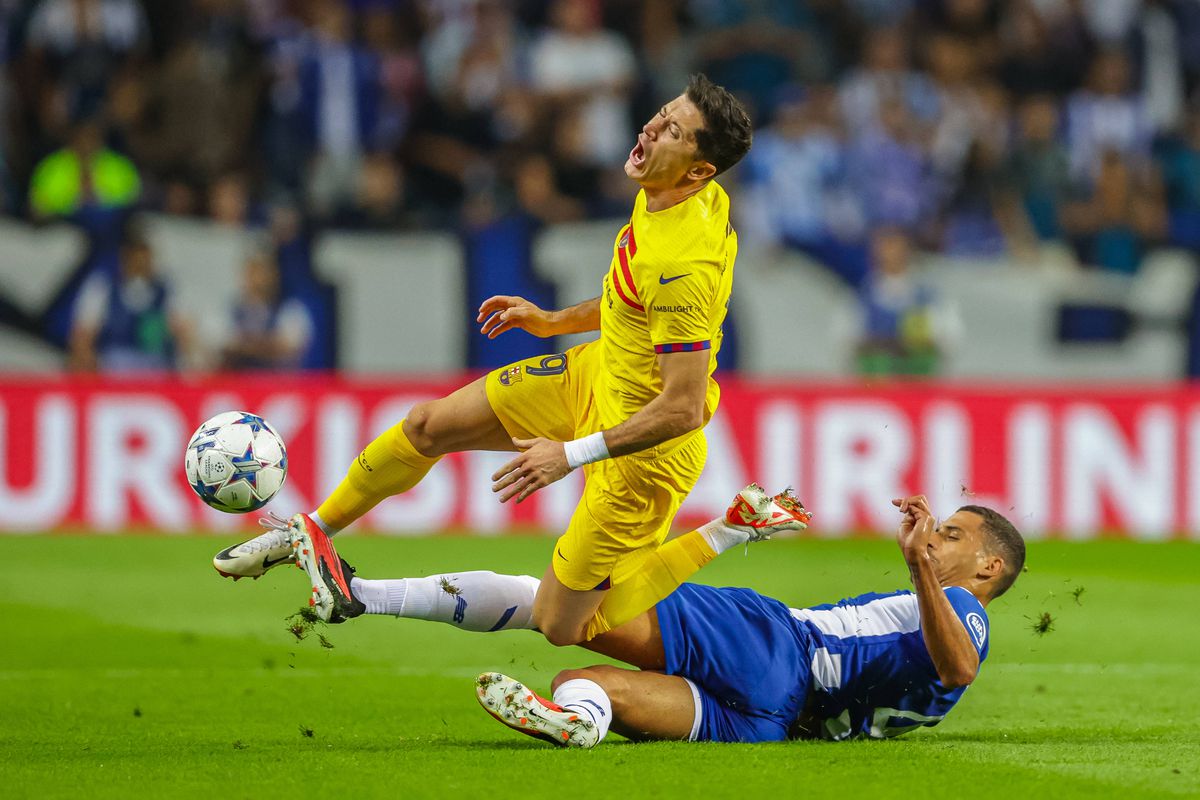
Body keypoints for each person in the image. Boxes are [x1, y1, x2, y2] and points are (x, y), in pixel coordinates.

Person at [214, 74, 755, 650]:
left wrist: (569, 454)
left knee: (561, 625)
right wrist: (553, 321)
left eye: (671, 131)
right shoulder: (676, 193)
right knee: (427, 425)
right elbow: (634, 301)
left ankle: (726, 531)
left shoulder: (681, 265)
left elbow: (683, 407)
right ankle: (311, 533)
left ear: (699, 170)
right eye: (662, 113)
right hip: (596, 374)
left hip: (643, 458)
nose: (649, 128)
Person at [285, 492, 1020, 745]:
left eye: (953, 535)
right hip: (775, 722)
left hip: (777, 646)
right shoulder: (942, 617)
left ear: (988, 569)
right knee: (585, 683)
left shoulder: (962, 607)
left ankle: (359, 595)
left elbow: (959, 664)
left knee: (559, 605)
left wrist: (918, 565)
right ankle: (580, 721)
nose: (934, 537)